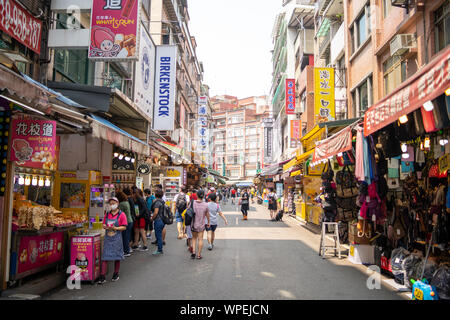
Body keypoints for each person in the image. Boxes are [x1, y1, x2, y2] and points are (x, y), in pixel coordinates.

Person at [98, 197, 127, 284]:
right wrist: (104, 226)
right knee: (105, 257)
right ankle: (102, 276)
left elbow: (124, 227)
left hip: (117, 238)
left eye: (113, 203)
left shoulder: (122, 214)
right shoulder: (107, 214)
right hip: (108, 238)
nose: (112, 205)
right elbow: (103, 224)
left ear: (117, 204)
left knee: (117, 256)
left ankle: (115, 274)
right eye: (110, 203)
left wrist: (115, 228)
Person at [191, 189, 210, 260]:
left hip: (193, 223)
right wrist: (208, 222)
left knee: (194, 238)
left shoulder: (192, 203)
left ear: (196, 195)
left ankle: (193, 252)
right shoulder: (205, 204)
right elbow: (207, 215)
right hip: (201, 224)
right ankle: (199, 255)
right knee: (200, 239)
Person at [150, 189, 166, 255]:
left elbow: (156, 212)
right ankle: (160, 249)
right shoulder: (162, 201)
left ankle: (160, 250)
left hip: (158, 220)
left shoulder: (157, 202)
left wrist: (152, 218)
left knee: (158, 236)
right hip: (162, 220)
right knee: (159, 235)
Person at [117, 191, 133, 257]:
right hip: (130, 221)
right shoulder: (126, 202)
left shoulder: (121, 204)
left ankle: (126, 251)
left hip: (125, 222)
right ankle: (128, 249)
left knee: (125, 237)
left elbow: (118, 213)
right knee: (127, 236)